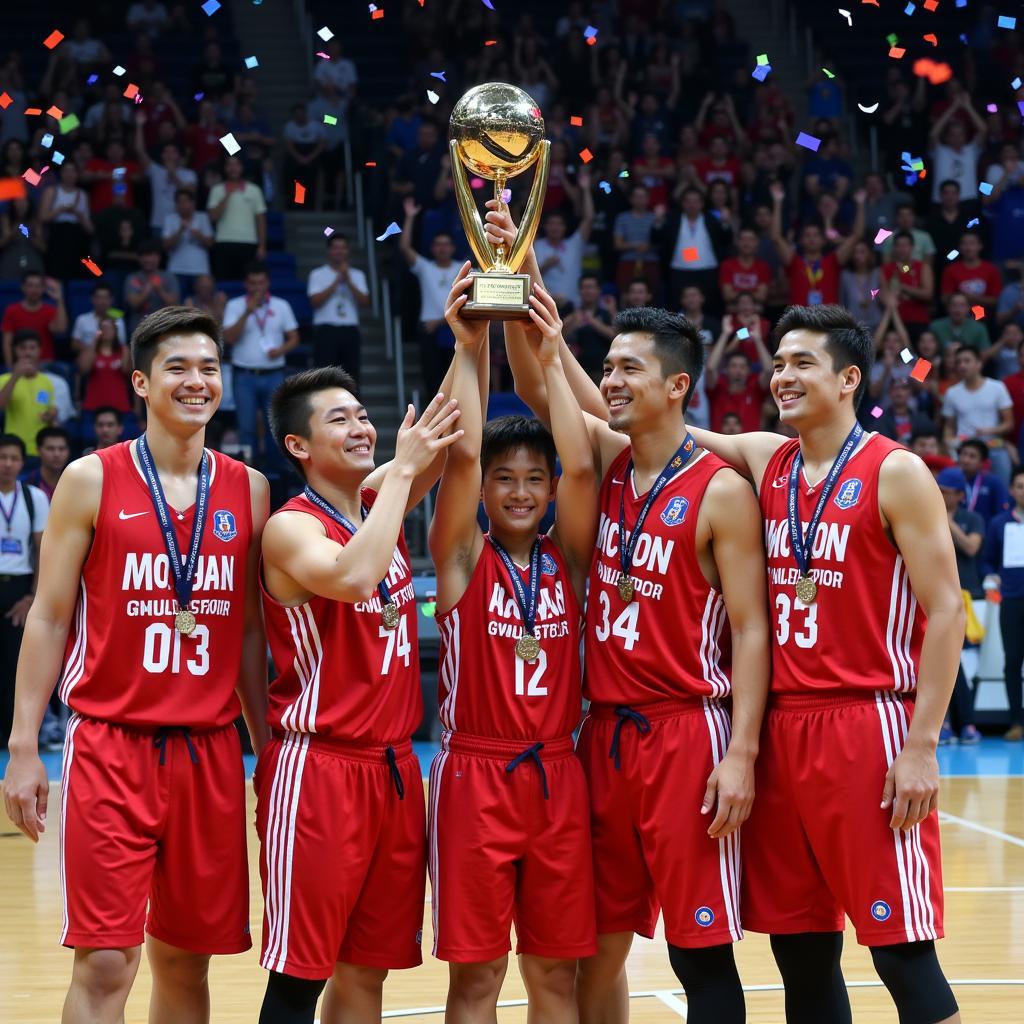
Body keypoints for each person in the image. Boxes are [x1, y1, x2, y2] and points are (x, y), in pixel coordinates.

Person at [490, 205, 771, 1023]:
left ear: (677, 385)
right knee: (594, 949)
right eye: (604, 367)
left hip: (687, 733)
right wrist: (517, 263)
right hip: (601, 737)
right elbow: (535, 379)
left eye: (626, 370)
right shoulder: (610, 461)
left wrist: (742, 754)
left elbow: (752, 630)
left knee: (700, 954)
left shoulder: (719, 491)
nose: (608, 380)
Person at [669, 304, 962, 1024]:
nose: (783, 377)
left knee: (901, 951)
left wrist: (921, 746)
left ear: (848, 378)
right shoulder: (770, 459)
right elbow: (654, 424)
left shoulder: (897, 471)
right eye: (778, 363)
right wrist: (541, 331)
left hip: (867, 725)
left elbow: (948, 611)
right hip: (780, 731)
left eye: (802, 363)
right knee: (801, 949)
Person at [1, 305, 270, 1023]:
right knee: (108, 962)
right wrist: (24, 747)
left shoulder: (249, 489)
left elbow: (247, 635)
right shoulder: (90, 480)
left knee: (186, 962)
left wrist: (267, 750)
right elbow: (50, 616)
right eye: (178, 368)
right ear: (141, 383)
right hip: (112, 747)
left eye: (209, 368)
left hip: (211, 754)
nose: (197, 382)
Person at [256, 371, 462, 1024]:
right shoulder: (289, 530)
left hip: (396, 772)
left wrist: (470, 338)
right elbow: (351, 576)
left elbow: (446, 430)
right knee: (299, 979)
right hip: (319, 771)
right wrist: (400, 477)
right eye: (339, 420)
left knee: (366, 974)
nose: (363, 427)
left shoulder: (378, 504)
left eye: (363, 415)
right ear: (298, 446)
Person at [429, 266, 598, 1022]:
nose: (522, 491)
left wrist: (552, 347)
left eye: (536, 478)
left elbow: (587, 460)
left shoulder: (572, 560)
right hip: (476, 776)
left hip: (560, 775)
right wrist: (472, 346)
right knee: (477, 978)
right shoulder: (464, 560)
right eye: (506, 480)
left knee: (556, 976)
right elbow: (459, 457)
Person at [222, 263, 300, 469]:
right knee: (246, 428)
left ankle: (275, 476)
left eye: (261, 282)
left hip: (273, 373)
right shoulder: (235, 305)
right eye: (253, 283)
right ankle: (249, 473)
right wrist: (247, 312)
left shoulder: (280, 305)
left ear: (268, 283)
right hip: (244, 374)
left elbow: (294, 337)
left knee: (274, 427)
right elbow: (229, 338)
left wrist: (281, 350)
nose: (257, 287)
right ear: (246, 284)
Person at [0, 434, 47, 747]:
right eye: (2, 457)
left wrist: (32, 597)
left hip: (20, 587)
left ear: (22, 461)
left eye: (13, 458)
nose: (7, 464)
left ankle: (15, 735)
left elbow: (43, 550)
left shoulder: (35, 498)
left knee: (17, 666)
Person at [934, 468, 983, 746]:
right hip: (939, 596)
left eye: (945, 491)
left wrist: (946, 520)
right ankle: (951, 723)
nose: (940, 494)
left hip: (968, 597)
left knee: (964, 666)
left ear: (959, 495)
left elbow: (971, 547)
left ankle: (964, 722)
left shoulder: (971, 518)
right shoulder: (928, 514)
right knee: (946, 662)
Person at [399, 197, 459, 399]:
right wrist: (409, 218)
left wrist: (441, 321)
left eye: (446, 245)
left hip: (455, 329)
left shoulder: (464, 269)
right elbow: (405, 248)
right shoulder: (426, 267)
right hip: (428, 330)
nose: (442, 248)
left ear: (452, 248)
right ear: (432, 248)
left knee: (455, 382)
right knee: (432, 382)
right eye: (438, 245)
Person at [769, 181, 864, 306]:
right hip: (800, 322)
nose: (811, 239)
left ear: (823, 240)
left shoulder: (833, 261)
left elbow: (857, 235)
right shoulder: (794, 261)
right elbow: (776, 237)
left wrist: (861, 205)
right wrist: (777, 202)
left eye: (816, 235)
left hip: (828, 323)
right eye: (807, 235)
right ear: (801, 241)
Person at [984, 469, 1024, 741]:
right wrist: (992, 575)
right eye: (1020, 486)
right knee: (1012, 661)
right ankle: (1015, 721)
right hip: (1011, 600)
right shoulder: (999, 524)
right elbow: (987, 560)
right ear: (1012, 490)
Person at [941, 346, 1013, 484]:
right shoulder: (952, 393)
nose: (962, 365)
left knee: (1002, 474)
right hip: (965, 448)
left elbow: (1009, 423)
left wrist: (989, 430)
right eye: (959, 362)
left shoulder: (997, 387)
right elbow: (949, 426)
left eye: (967, 361)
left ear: (979, 363)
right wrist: (949, 442)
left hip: (992, 447)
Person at [307, 234, 369, 382]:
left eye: (343, 247)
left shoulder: (357, 275)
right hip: (326, 330)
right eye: (335, 247)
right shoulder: (317, 274)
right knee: (323, 376)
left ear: (348, 251)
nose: (339, 251)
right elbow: (315, 301)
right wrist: (337, 281)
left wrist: (348, 280)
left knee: (352, 376)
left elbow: (365, 302)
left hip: (350, 330)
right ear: (328, 251)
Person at [533, 169, 594, 308]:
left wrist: (585, 189)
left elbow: (589, 219)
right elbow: (527, 276)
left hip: (574, 306)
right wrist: (544, 267)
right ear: (545, 226)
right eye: (551, 224)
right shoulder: (536, 245)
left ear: (565, 228)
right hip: (544, 306)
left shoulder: (574, 244)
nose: (555, 227)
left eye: (559, 224)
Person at [134, 112, 198, 237]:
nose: (169, 155)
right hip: (158, 224)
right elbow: (139, 150)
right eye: (166, 152)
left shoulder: (189, 174)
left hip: (180, 224)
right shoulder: (155, 170)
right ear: (162, 156)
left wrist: (172, 174)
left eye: (172, 152)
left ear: (178, 155)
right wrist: (139, 125)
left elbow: (190, 193)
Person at [207, 155, 267, 280]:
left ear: (242, 167)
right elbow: (213, 217)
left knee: (247, 283)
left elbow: (260, 220)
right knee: (223, 283)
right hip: (223, 243)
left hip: (249, 243)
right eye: (229, 164)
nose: (233, 168)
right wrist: (227, 195)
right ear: (225, 168)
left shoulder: (254, 190)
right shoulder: (217, 190)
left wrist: (262, 246)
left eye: (236, 164)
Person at [0, 332, 59, 457]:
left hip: (40, 449)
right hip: (14, 448)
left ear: (39, 351)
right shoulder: (4, 379)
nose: (28, 352)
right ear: (15, 350)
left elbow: (51, 411)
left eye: (32, 348)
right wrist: (15, 376)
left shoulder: (46, 381)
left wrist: (51, 415)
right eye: (23, 348)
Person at [705, 325, 772, 433]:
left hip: (749, 447)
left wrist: (758, 339)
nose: (738, 370)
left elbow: (769, 370)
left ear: (749, 371)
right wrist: (725, 334)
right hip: (719, 446)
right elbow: (710, 368)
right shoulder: (718, 388)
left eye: (742, 367)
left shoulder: (755, 389)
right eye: (734, 366)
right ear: (726, 370)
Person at [1, 271, 68, 366]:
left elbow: (60, 329)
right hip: (20, 363)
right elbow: (7, 343)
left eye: (38, 286)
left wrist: (59, 300)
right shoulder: (11, 311)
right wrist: (10, 367)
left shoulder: (49, 310)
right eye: (30, 286)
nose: (34, 290)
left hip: (46, 364)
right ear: (23, 287)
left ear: (43, 288)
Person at [162, 188, 214, 292]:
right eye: (179, 202)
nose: (182, 204)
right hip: (176, 270)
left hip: (200, 270)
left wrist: (197, 234)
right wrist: (180, 231)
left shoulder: (203, 217)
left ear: (193, 203)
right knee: (178, 307)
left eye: (185, 201)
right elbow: (165, 246)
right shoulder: (170, 219)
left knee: (197, 306)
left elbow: (210, 244)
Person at [939, 232, 1002, 317]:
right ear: (960, 247)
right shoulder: (951, 270)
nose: (968, 248)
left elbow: (996, 300)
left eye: (972, 243)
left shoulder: (991, 269)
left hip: (985, 317)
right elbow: (945, 298)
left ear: (980, 246)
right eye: (964, 244)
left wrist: (972, 299)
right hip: (958, 315)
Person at [124, 240, 181, 333]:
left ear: (159, 257)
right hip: (138, 329)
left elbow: (175, 305)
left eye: (151, 255)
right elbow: (134, 304)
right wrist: (149, 288)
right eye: (144, 256)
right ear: (139, 258)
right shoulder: (132, 278)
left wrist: (160, 290)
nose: (148, 259)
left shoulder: (169, 277)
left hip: (164, 328)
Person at [956, 438, 1010, 527]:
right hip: (952, 533)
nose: (966, 460)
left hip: (985, 535)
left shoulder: (994, 482)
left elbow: (1001, 514)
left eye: (972, 456)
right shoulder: (949, 478)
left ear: (982, 462)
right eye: (963, 454)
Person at [718, 226, 772, 309]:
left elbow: (762, 297)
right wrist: (752, 292)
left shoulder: (763, 266)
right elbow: (727, 296)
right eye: (743, 239)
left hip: (757, 315)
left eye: (750, 240)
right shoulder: (727, 265)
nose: (746, 243)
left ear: (756, 243)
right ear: (737, 242)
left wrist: (737, 292)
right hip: (732, 315)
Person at [876, 378, 936, 445]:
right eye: (895, 388)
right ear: (889, 392)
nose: (899, 391)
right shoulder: (880, 419)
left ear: (910, 393)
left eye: (904, 388)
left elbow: (933, 436)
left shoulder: (921, 418)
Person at [71, 283, 126, 353]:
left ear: (111, 300)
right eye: (99, 298)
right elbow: (74, 345)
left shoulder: (118, 320)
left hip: (111, 358)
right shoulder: (82, 319)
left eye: (106, 298)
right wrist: (94, 350)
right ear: (92, 299)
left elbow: (122, 344)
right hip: (88, 358)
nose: (103, 301)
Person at [25, 426, 71, 501]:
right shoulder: (28, 485)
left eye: (62, 449)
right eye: (50, 448)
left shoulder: (76, 484)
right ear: (38, 451)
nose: (57, 454)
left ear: (69, 451)